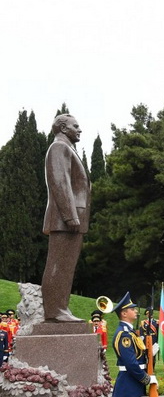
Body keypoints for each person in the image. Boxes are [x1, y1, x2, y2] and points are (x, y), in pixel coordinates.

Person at [41, 114, 90, 323]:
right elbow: (59, 182)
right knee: (58, 265)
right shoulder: (59, 148)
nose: (80, 130)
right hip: (65, 219)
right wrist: (70, 216)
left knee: (66, 266)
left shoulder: (67, 148)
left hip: (72, 219)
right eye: (75, 126)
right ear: (62, 128)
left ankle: (61, 308)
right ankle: (54, 311)